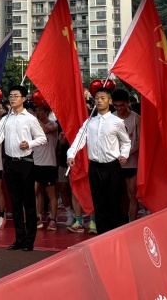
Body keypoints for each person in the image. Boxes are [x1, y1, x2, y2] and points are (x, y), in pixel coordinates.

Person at [0, 85, 47, 251]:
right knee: (15, 202)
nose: (12, 99)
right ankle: (19, 238)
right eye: (10, 96)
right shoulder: (6, 119)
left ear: (23, 99)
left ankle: (29, 240)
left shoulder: (30, 119)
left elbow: (42, 138)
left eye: (16, 96)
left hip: (26, 162)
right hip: (10, 163)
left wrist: (30, 143)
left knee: (28, 202)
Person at [67, 87, 131, 235]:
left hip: (112, 167)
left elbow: (126, 141)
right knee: (98, 203)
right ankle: (102, 236)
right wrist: (71, 154)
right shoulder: (90, 122)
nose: (99, 101)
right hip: (95, 167)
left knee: (113, 202)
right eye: (97, 98)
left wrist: (124, 155)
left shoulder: (117, 122)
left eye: (103, 98)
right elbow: (79, 139)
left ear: (110, 101)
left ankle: (114, 235)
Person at [112, 89, 140, 222]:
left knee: (132, 194)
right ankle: (121, 220)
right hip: (115, 163)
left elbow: (141, 142)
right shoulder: (110, 118)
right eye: (116, 106)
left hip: (132, 164)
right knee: (117, 194)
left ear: (128, 103)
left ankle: (133, 222)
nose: (119, 109)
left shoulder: (136, 118)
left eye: (121, 105)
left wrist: (128, 154)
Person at [33, 101, 58, 231]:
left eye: (40, 110)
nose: (38, 112)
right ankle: (38, 217)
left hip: (49, 164)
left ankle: (53, 219)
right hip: (35, 163)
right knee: (36, 192)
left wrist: (34, 119)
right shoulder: (34, 126)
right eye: (36, 110)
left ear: (47, 111)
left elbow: (45, 130)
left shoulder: (53, 124)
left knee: (50, 193)